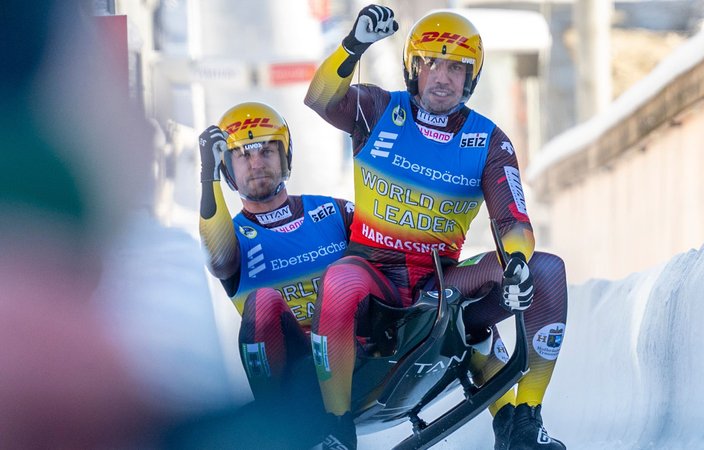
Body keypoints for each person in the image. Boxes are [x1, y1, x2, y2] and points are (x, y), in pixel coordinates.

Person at [304, 5, 568, 450]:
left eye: (455, 67)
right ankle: (336, 429)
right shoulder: (377, 108)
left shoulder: (488, 141)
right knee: (340, 281)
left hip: (441, 280)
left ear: (471, 78)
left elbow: (511, 220)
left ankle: (524, 422)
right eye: (431, 63)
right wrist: (353, 45)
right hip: (375, 275)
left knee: (547, 272)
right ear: (413, 69)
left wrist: (518, 262)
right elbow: (322, 98)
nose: (442, 77)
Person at [197, 101, 354, 410]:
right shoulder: (232, 236)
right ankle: (281, 428)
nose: (256, 164)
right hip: (294, 374)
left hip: (357, 353)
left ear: (285, 157)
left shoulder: (333, 211)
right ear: (227, 169)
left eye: (266, 151)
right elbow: (216, 259)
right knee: (263, 301)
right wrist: (207, 177)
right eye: (243, 155)